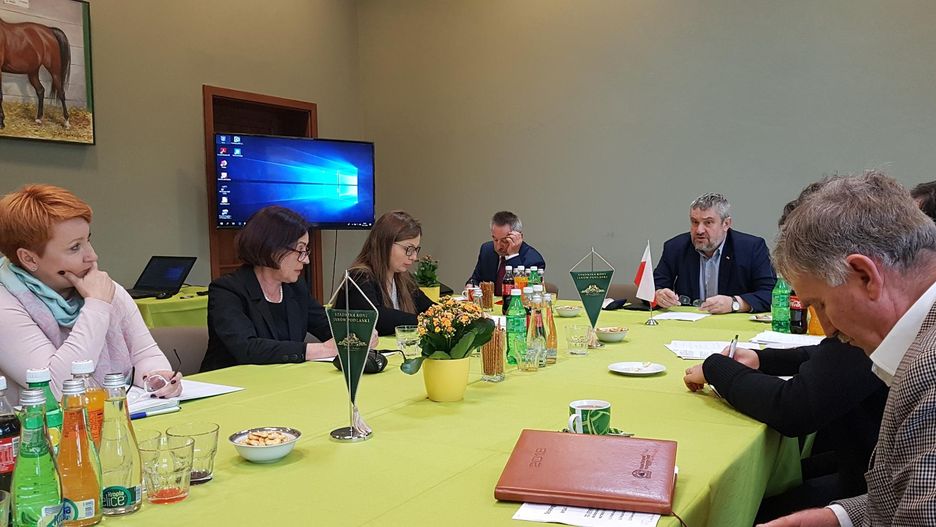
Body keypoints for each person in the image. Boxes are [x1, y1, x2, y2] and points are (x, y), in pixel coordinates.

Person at [683, 184, 888, 522]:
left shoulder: (887, 330)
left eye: (820, 303)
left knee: (742, 503)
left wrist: (717, 367)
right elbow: (831, 355)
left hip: (865, 486)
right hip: (859, 467)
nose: (825, 323)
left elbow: (793, 407)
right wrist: (763, 358)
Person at [761, 171, 936, 527]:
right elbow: (907, 490)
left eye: (821, 304)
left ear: (865, 275)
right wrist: (839, 517)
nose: (827, 328)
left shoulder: (928, 368)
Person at [0, 184, 181, 400]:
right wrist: (96, 306)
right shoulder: (6, 303)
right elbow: (58, 389)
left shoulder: (101, 288)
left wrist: (157, 379)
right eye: (75, 247)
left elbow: (144, 354)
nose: (92, 256)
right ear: (29, 259)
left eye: (88, 240)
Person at [203, 206, 368, 371]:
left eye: (306, 250)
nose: (306, 260)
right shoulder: (227, 290)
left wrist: (358, 332)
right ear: (272, 248)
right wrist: (322, 349)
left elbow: (326, 325)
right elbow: (247, 348)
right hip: (231, 382)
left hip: (283, 378)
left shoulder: (295, 287)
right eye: (300, 250)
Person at [653, 192, 776, 313]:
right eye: (695, 222)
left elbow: (771, 294)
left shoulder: (751, 248)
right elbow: (651, 288)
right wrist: (658, 295)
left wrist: (734, 303)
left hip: (732, 322)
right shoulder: (676, 247)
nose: (699, 230)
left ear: (726, 224)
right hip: (688, 322)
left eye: (708, 222)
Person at [334, 210, 434, 336]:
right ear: (385, 244)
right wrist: (425, 321)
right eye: (408, 249)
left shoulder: (404, 278)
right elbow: (377, 318)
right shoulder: (359, 278)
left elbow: (428, 308)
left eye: (416, 249)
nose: (414, 257)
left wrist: (447, 315)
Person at [467, 211, 545, 295]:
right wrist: (471, 285)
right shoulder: (487, 250)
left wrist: (513, 255)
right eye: (495, 239)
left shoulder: (534, 260)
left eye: (505, 241)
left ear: (519, 237)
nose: (498, 247)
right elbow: (475, 279)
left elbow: (523, 294)